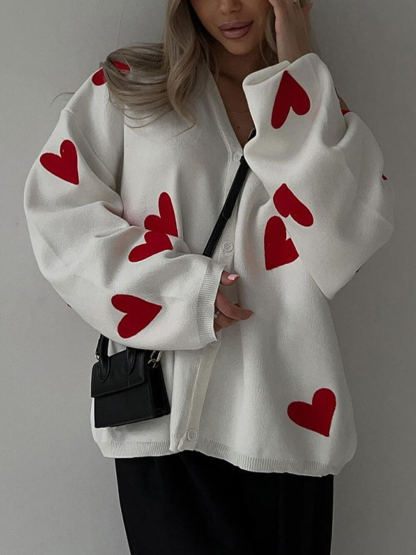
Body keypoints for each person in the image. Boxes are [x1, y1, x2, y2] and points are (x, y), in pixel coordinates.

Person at [23, 0, 395, 553]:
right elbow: (60, 220)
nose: (228, 5)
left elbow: (346, 242)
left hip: (285, 427)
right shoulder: (128, 88)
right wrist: (184, 294)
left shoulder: (320, 113)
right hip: (163, 426)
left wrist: (296, 68)